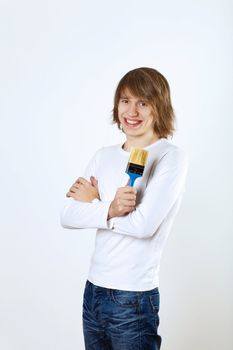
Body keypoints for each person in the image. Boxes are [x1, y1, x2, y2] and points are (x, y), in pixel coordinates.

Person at [60, 67, 188, 350]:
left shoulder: (170, 157)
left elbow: (143, 226)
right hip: (93, 291)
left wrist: (96, 206)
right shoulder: (103, 156)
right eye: (125, 100)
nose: (132, 111)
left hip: (133, 299)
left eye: (143, 102)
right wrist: (110, 209)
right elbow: (67, 215)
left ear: (160, 107)